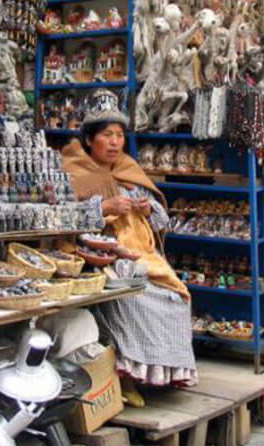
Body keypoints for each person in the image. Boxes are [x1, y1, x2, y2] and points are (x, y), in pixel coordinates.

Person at [61, 90, 196, 407]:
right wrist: (103, 208)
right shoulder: (74, 170)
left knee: (175, 298)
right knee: (135, 299)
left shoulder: (127, 169)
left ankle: (158, 375)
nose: (114, 143)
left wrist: (148, 210)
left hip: (141, 256)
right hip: (100, 259)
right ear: (89, 139)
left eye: (119, 136)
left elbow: (162, 224)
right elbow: (62, 220)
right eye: (107, 135)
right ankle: (126, 377)